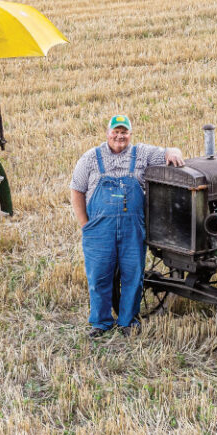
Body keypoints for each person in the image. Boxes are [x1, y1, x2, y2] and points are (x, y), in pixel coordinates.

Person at [69, 115, 184, 337]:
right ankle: (101, 322)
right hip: (99, 230)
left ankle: (127, 321)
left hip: (132, 229)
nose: (120, 136)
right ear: (107, 133)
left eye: (124, 132)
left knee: (133, 275)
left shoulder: (141, 153)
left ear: (130, 134)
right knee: (99, 276)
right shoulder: (91, 158)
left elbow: (168, 152)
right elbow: (76, 190)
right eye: (116, 131)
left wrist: (173, 152)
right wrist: (86, 225)